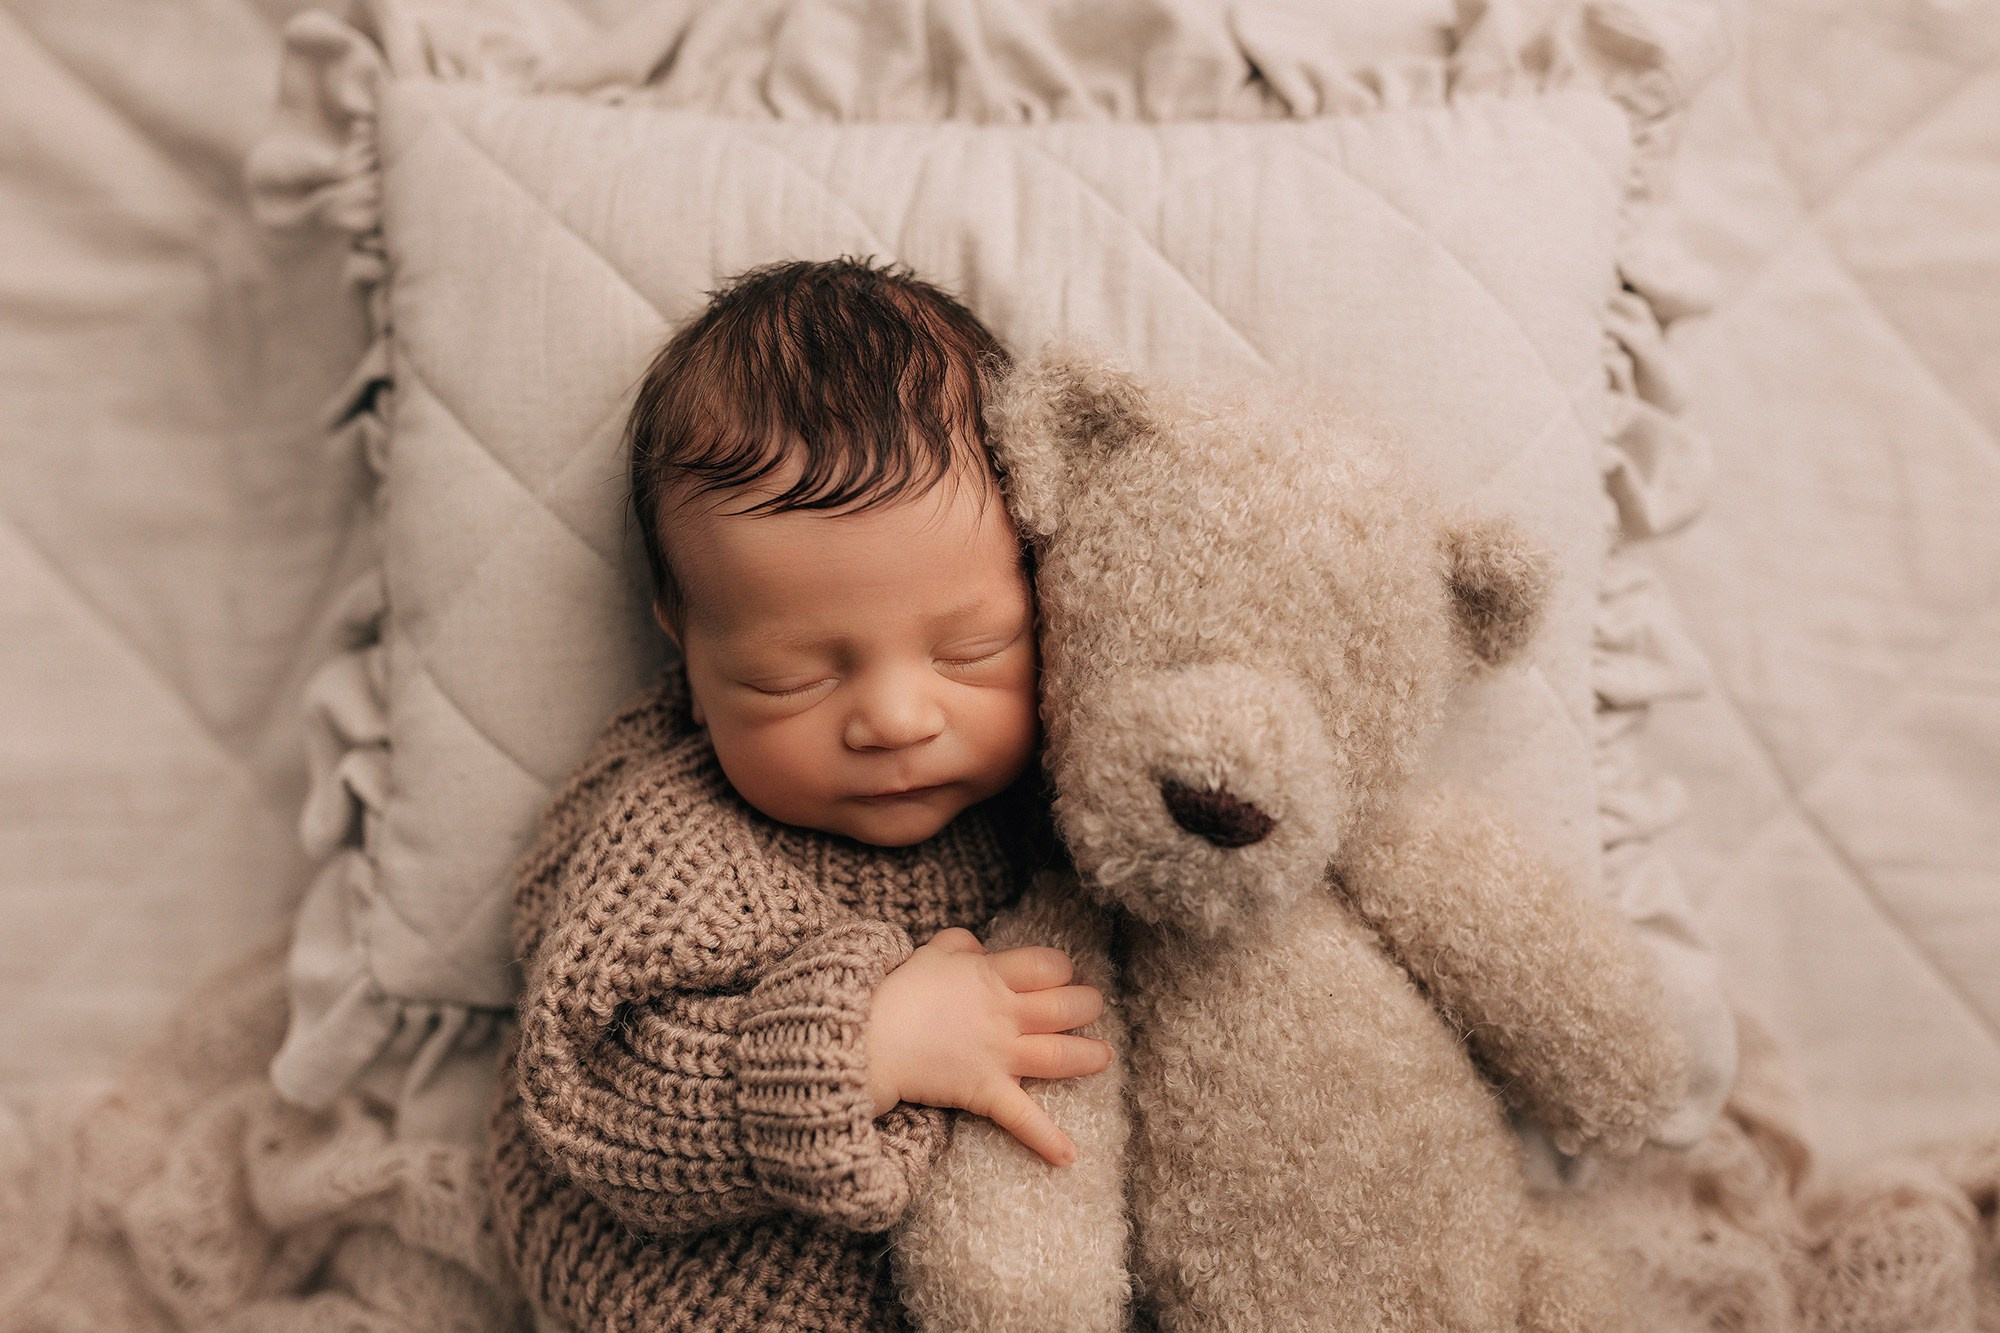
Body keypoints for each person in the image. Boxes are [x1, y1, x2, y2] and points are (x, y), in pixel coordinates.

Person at [485, 256, 1113, 1333]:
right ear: (687, 649)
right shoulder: (683, 840)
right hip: (710, 1297)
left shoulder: (1061, 797)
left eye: (971, 650)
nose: (896, 718)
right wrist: (863, 1045)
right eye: (792, 678)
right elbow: (587, 1086)